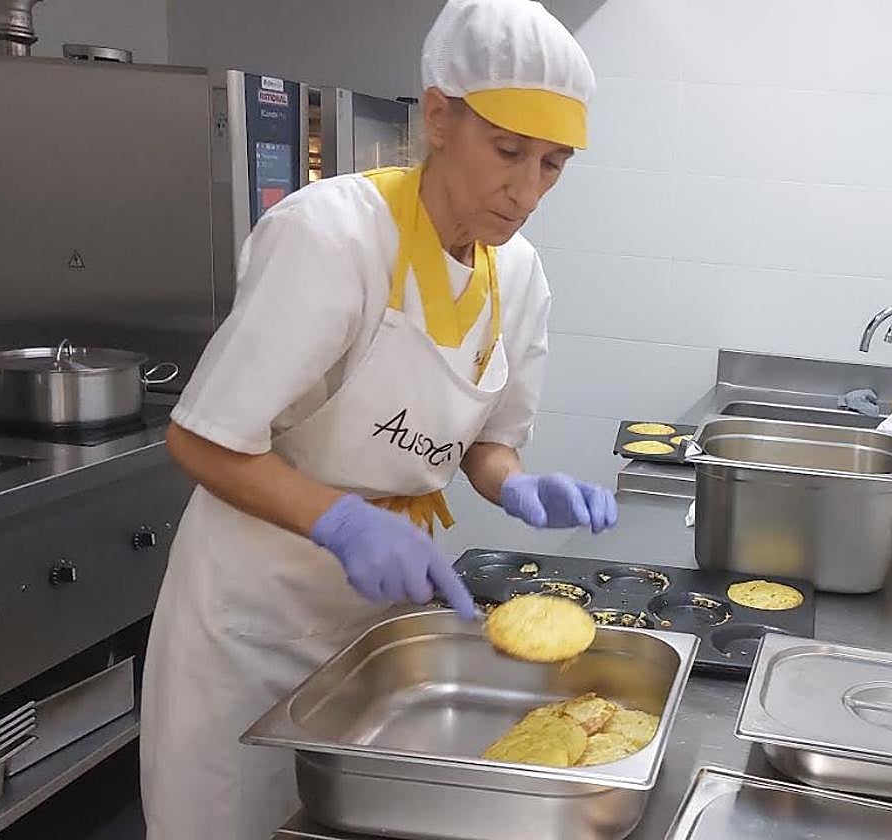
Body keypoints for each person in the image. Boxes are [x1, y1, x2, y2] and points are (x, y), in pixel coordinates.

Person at [139, 1, 610, 837]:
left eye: (553, 164)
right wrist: (344, 521)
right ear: (437, 117)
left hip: (378, 629)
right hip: (251, 623)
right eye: (507, 152)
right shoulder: (331, 239)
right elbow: (202, 438)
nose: (526, 191)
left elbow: (487, 443)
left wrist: (519, 485)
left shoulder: (522, 275)